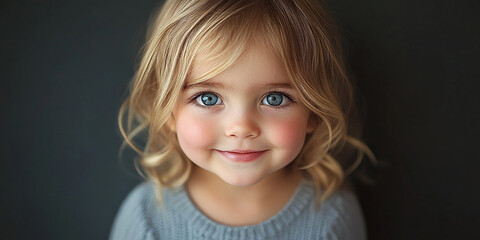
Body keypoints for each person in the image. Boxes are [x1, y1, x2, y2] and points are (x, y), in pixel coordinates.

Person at [110, 0, 374, 239]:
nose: (241, 128)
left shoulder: (333, 219)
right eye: (208, 98)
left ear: (313, 112)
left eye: (274, 99)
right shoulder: (146, 220)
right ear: (167, 110)